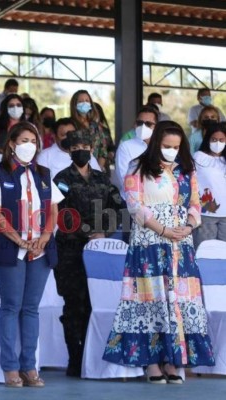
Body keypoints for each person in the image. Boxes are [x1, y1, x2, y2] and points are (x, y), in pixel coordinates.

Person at [103, 120, 215, 383]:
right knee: (151, 301)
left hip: (181, 245)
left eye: (176, 147)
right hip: (149, 243)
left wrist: (188, 226)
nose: (171, 151)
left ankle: (175, 361)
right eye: (166, 146)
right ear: (156, 144)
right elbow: (135, 206)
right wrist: (163, 230)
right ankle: (152, 363)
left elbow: (197, 204)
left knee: (180, 302)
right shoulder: (138, 167)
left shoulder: (187, 170)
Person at [0, 121, 62, 388]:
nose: (30, 146)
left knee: (31, 308)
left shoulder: (44, 174)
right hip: (9, 248)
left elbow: (53, 210)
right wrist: (18, 239)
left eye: (34, 141)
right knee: (11, 306)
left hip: (40, 249)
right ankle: (10, 368)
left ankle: (29, 367)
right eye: (24, 140)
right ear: (12, 144)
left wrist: (45, 237)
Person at [52, 130, 125, 377]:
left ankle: (93, 357)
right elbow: (61, 211)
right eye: (75, 146)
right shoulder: (61, 178)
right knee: (74, 305)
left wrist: (104, 232)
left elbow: (119, 207)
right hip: (70, 250)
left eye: (84, 145)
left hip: (99, 251)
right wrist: (86, 230)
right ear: (68, 150)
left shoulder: (102, 178)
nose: (80, 150)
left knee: (96, 304)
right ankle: (75, 358)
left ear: (91, 148)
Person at [193, 122, 226, 248]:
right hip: (206, 213)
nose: (217, 143)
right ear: (208, 140)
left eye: (221, 140)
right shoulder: (198, 157)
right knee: (204, 251)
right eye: (214, 139)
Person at [115, 106, 159, 197]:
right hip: (130, 201)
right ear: (135, 124)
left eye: (148, 124)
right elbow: (123, 177)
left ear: (156, 126)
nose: (143, 127)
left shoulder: (161, 147)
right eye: (140, 123)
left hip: (156, 201)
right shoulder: (126, 146)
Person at [37, 117, 102, 178]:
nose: (68, 137)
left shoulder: (85, 153)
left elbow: (99, 177)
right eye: (63, 135)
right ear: (54, 137)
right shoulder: (45, 156)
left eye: (72, 133)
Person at [69, 89, 110, 170]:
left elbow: (103, 151)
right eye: (80, 101)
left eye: (87, 100)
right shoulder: (71, 125)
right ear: (74, 104)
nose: (84, 103)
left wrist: (98, 169)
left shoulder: (96, 126)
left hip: (95, 170)